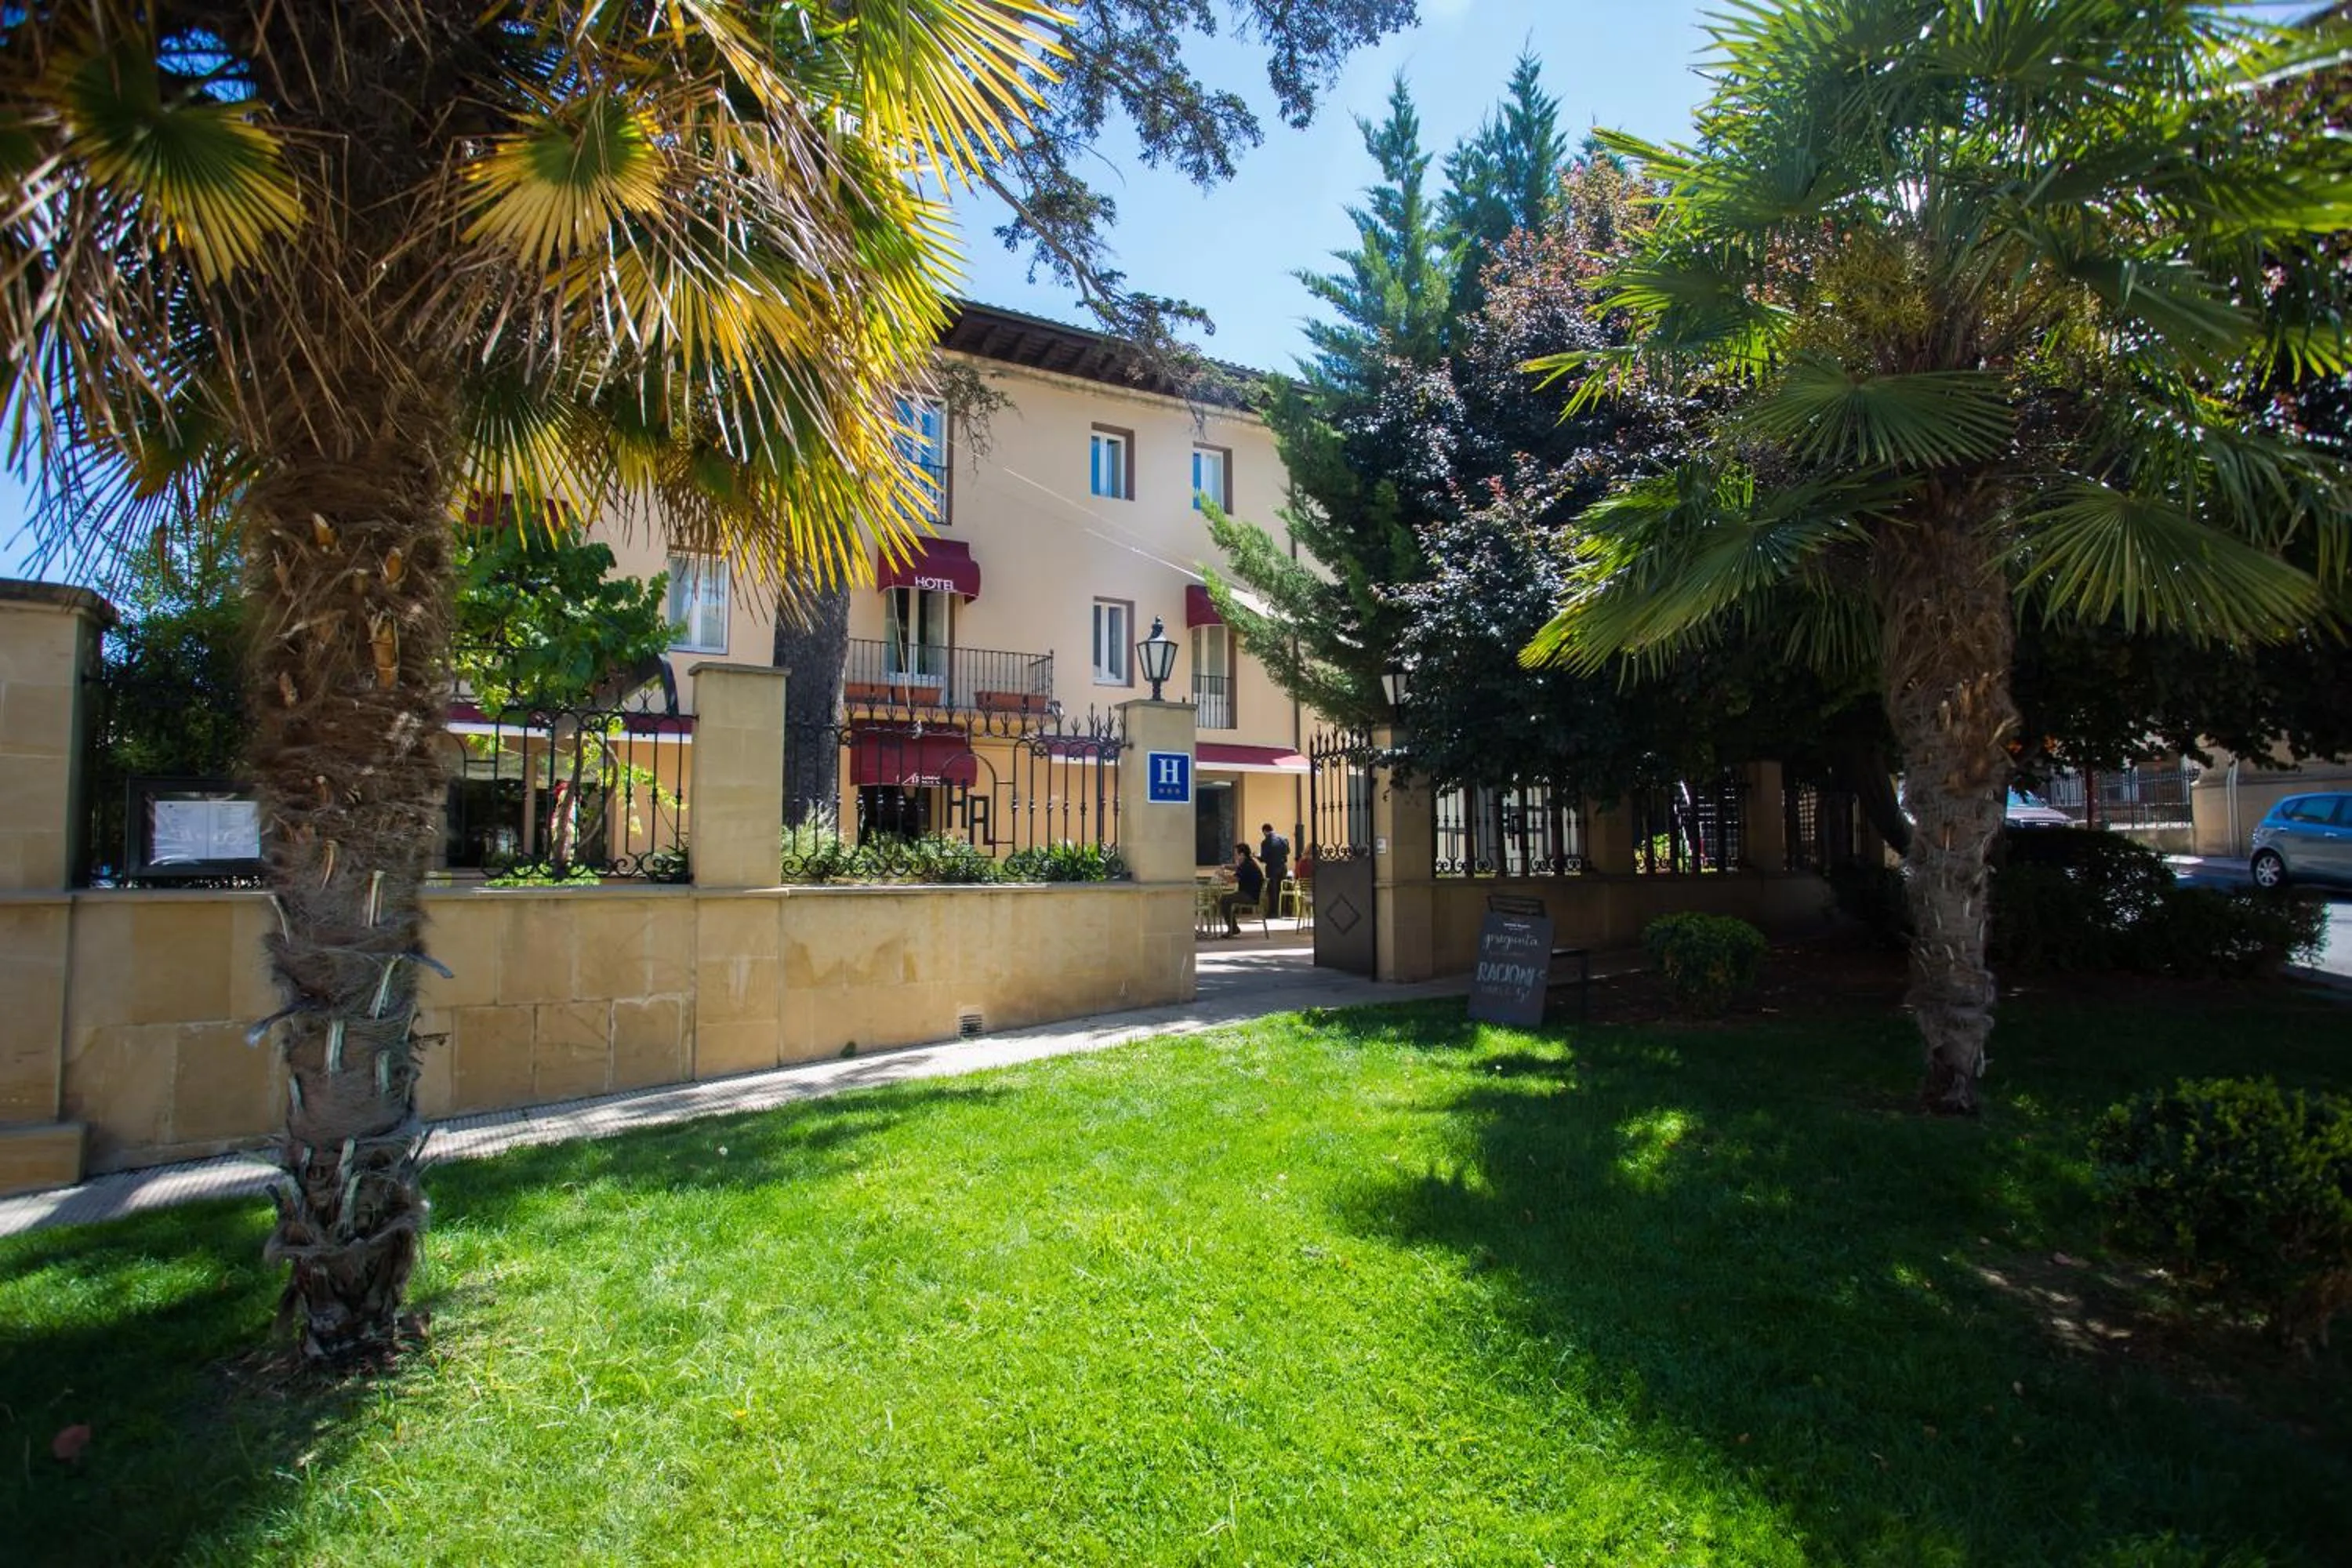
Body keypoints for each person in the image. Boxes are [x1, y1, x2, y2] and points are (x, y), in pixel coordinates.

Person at [1218, 842, 1265, 936]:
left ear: (1242, 855)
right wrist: (1226, 866)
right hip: (1250, 894)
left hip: (1250, 896)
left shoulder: (1246, 865)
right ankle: (1233, 928)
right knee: (1226, 899)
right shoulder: (1248, 862)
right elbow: (1237, 868)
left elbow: (1233, 880)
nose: (1235, 857)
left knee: (1224, 899)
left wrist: (1221, 875)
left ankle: (1233, 929)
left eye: (1236, 854)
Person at [1258, 822, 1290, 913]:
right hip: (1283, 867)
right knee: (1282, 889)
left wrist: (1257, 857)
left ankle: (1273, 912)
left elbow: (1264, 859)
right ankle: (1284, 911)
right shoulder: (1284, 839)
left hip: (1272, 868)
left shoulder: (1265, 842)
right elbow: (1288, 851)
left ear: (1264, 831)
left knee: (1272, 890)